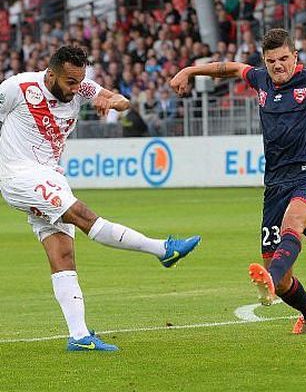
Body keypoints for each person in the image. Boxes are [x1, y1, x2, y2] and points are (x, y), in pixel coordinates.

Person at [170, 28, 306, 334]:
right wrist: (189, 70)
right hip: (274, 185)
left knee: (293, 223)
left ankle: (269, 281)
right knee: (283, 280)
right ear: (265, 61)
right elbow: (229, 68)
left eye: (284, 58)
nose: (278, 65)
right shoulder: (260, 80)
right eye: (272, 61)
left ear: (296, 56)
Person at [0, 46, 201, 352]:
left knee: (63, 255)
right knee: (83, 216)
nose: (75, 89)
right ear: (51, 74)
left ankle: (79, 337)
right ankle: (162, 249)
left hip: (51, 176)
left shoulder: (81, 87)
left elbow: (115, 98)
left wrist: (115, 102)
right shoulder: (18, 87)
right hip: (18, 175)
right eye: (69, 82)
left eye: (79, 81)